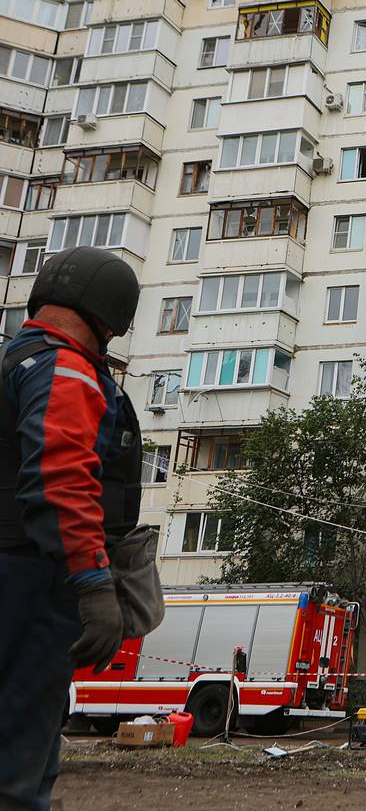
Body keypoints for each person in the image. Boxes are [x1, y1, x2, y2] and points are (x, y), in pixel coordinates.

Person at [0, 246, 142, 811]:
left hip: (19, 578)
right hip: (34, 581)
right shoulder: (65, 368)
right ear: (110, 316)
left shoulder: (17, 360)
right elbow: (62, 480)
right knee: (19, 761)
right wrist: (94, 583)